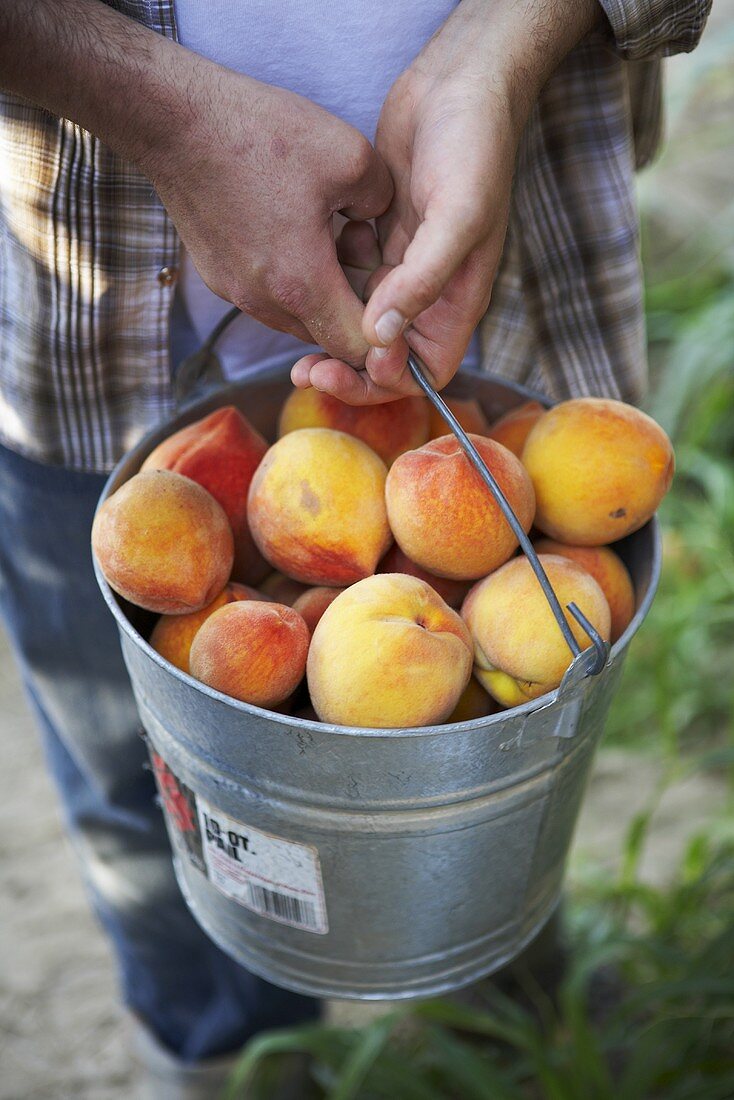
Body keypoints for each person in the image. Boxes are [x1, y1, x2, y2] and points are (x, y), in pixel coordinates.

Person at [0, 0, 711, 1096]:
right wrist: (162, 117)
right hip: (93, 312)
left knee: (500, 794)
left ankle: (502, 1005)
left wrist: (504, 44)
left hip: (510, 239)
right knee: (139, 781)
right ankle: (222, 1058)